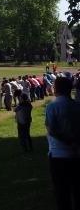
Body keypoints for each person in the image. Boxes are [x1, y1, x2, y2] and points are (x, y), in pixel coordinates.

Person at [45, 76, 80, 210]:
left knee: (61, 192)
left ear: (56, 89)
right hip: (76, 153)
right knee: (76, 190)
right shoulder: (76, 105)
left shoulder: (52, 106)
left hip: (58, 154)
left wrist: (67, 141)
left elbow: (51, 129)